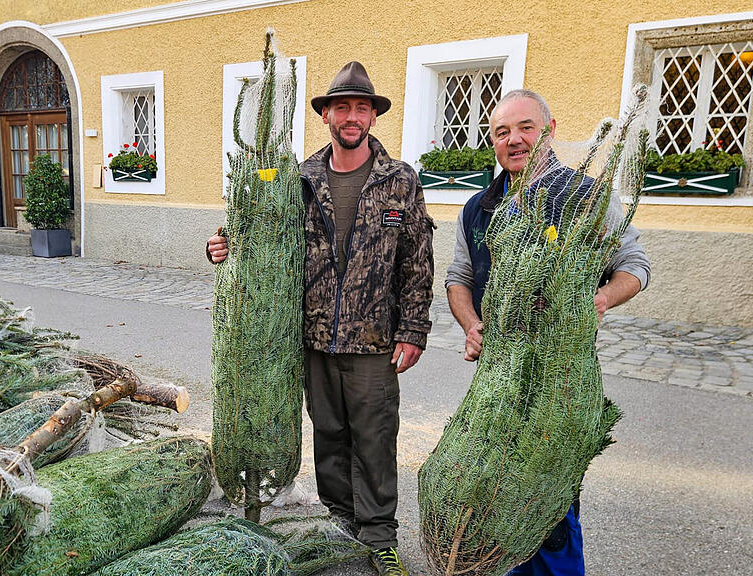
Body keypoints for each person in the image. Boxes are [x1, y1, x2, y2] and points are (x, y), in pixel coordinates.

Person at [207, 61, 434, 576]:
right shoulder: (299, 179)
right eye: (341, 107)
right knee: (328, 435)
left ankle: (378, 536)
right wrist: (221, 245)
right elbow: (255, 226)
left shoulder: (399, 181)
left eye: (361, 108)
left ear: (372, 117)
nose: (351, 116)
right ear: (326, 115)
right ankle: (339, 524)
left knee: (374, 439)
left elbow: (418, 262)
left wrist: (413, 329)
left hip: (374, 340)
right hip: (311, 338)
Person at [444, 89, 651, 576]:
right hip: (497, 380)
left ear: (550, 129)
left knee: (551, 497)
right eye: (501, 132)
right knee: (493, 492)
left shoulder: (586, 198)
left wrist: (597, 300)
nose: (513, 140)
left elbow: (635, 266)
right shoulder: (479, 208)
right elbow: (459, 278)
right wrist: (472, 325)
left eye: (525, 128)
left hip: (558, 379)